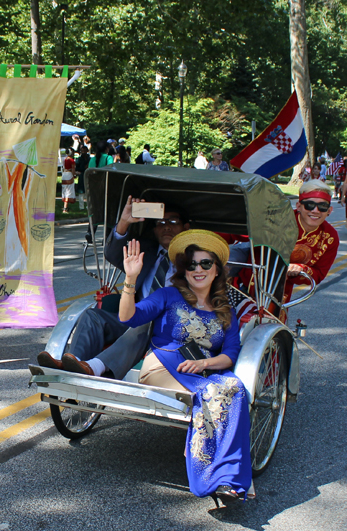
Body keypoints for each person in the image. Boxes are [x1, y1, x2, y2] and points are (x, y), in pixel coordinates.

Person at [119, 230, 252, 503]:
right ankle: (209, 476)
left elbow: (230, 353)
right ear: (184, 271)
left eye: (205, 264)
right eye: (191, 265)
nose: (198, 270)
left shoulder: (225, 309)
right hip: (165, 365)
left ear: (217, 270)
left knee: (236, 388)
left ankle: (229, 479)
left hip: (203, 370)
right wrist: (130, 279)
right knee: (213, 394)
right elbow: (128, 317)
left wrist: (205, 362)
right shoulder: (169, 295)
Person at [38, 196, 190, 379]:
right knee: (93, 315)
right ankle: (75, 362)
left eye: (173, 221)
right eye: (161, 222)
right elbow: (112, 253)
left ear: (186, 228)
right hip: (134, 315)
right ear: (155, 228)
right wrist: (124, 222)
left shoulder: (194, 261)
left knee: (144, 321)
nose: (166, 226)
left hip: (171, 326)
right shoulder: (144, 250)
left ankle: (94, 367)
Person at [237, 180, 338, 307]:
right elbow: (238, 232)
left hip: (280, 294)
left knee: (272, 325)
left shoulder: (330, 237)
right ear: (299, 206)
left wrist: (301, 269)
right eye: (309, 205)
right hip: (246, 283)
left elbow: (319, 275)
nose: (316, 210)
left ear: (329, 210)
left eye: (322, 206)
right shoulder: (277, 219)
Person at [75, 145, 90, 209]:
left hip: (88, 175)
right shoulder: (79, 159)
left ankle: (88, 205)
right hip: (82, 175)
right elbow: (76, 167)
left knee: (88, 190)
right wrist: (82, 168)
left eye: (84, 150)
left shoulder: (90, 159)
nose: (83, 152)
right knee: (81, 191)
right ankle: (81, 206)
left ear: (87, 151)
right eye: (82, 150)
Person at [61, 148, 76, 213]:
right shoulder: (72, 160)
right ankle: (65, 208)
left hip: (64, 174)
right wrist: (74, 175)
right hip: (69, 175)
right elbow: (73, 170)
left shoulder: (64, 159)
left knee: (65, 190)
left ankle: (65, 206)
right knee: (69, 191)